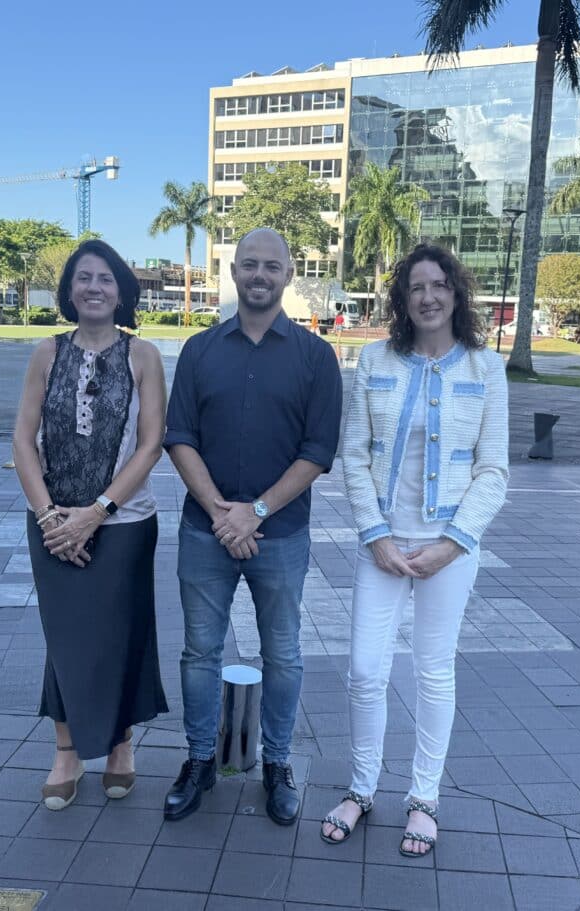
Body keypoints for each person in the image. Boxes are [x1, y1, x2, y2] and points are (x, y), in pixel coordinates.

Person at [320, 243, 508, 858]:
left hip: (447, 549)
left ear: (457, 293)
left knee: (433, 670)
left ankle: (424, 798)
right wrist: (374, 534)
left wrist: (454, 543)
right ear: (402, 299)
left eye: (439, 285)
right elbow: (353, 453)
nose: (428, 296)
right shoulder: (375, 359)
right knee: (366, 670)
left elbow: (494, 471)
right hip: (384, 544)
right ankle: (362, 787)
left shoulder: (485, 368)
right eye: (416, 287)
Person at [163, 228, 343, 825]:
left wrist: (255, 511)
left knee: (284, 655)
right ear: (233, 273)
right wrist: (220, 511)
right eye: (249, 265)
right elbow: (179, 437)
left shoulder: (317, 358)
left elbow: (318, 451)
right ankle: (198, 761)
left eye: (272, 266)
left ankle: (277, 765)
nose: (259, 275)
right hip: (204, 531)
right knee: (199, 653)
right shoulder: (199, 350)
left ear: (289, 274)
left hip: (281, 535)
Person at [12, 239, 169, 811]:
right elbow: (22, 440)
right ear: (70, 290)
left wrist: (97, 512)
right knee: (65, 637)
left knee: (122, 631)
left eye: (106, 278)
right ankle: (67, 750)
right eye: (84, 278)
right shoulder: (45, 353)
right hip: (52, 524)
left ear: (122, 291)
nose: (95, 287)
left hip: (124, 523)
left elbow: (152, 445)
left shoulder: (144, 355)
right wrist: (52, 516)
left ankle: (123, 745)